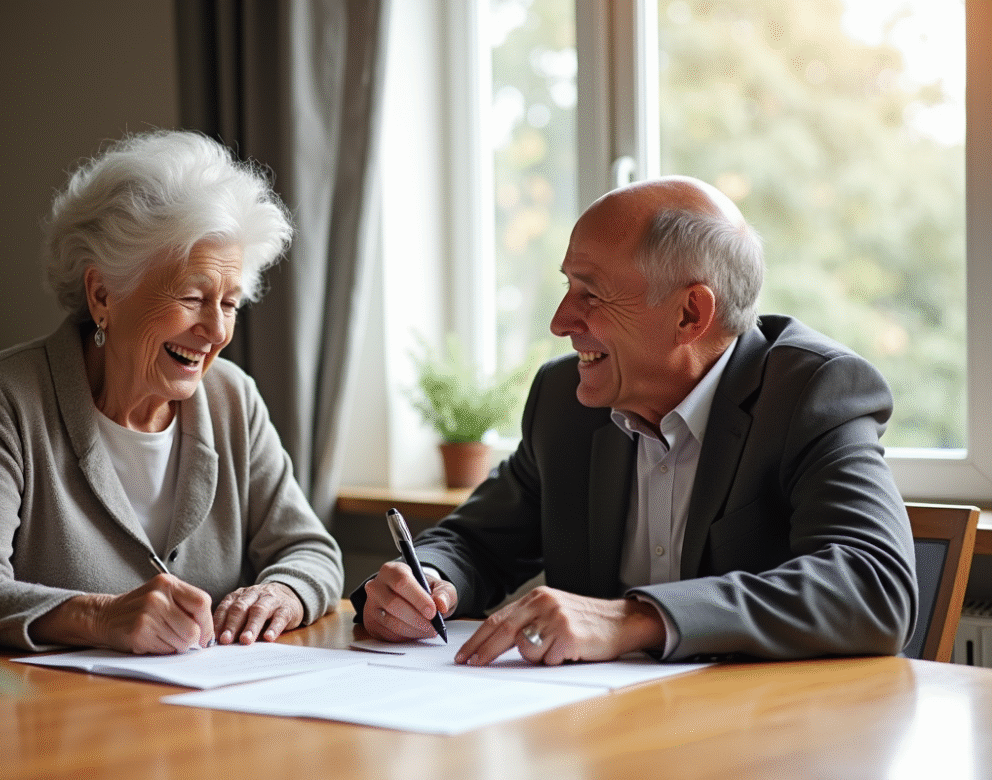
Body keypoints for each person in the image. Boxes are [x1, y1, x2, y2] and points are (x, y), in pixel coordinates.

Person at [354, 175, 917, 664]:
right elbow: (476, 543)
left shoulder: (811, 392)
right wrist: (427, 580)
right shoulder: (563, 399)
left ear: (690, 313)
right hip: (602, 733)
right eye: (566, 286)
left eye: (591, 294)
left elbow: (874, 586)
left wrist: (632, 620)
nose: (559, 321)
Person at [0, 130, 344, 653]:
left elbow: (310, 550)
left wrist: (283, 592)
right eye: (192, 296)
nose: (216, 331)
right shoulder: (5, 398)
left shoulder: (233, 399)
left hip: (198, 719)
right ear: (102, 295)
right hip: (45, 721)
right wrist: (97, 616)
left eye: (229, 304)